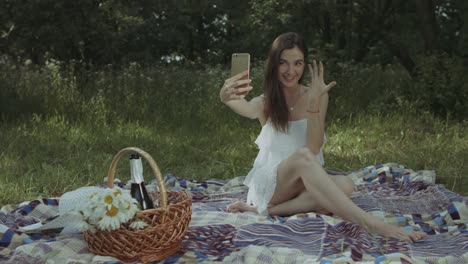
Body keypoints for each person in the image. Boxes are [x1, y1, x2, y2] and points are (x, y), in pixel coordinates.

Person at [219, 32, 426, 242]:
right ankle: (372, 224)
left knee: (346, 184)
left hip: (300, 185)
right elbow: (244, 107)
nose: (291, 71)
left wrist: (313, 105)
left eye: (298, 63)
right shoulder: (265, 101)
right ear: (274, 64)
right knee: (304, 157)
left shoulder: (317, 94)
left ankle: (263, 211)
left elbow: (314, 146)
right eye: (283, 63)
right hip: (271, 186)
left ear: (304, 65)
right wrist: (226, 98)